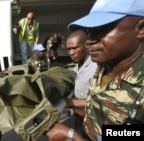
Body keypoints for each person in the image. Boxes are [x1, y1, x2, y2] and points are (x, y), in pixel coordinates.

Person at [46, 0, 144, 141]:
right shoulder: (104, 66)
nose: (89, 41)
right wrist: (73, 109)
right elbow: (103, 107)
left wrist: (72, 137)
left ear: (141, 29)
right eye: (89, 32)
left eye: (101, 30)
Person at [64, 29, 97, 136]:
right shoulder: (77, 67)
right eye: (69, 49)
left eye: (75, 48)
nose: (71, 53)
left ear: (86, 45)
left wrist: (69, 102)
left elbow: (100, 101)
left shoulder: (96, 69)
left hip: (94, 121)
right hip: (79, 118)